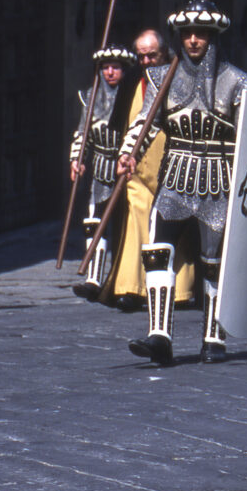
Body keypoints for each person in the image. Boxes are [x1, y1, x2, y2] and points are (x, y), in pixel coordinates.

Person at [117, 0, 247, 365]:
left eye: (201, 33)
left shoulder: (238, 83)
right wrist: (128, 152)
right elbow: (144, 124)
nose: (194, 40)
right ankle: (159, 335)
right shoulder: (161, 80)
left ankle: (214, 336)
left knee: (213, 263)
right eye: (188, 33)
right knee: (157, 253)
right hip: (175, 178)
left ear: (213, 37)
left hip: (218, 180)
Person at [104, 29, 196, 312]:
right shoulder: (133, 81)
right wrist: (124, 155)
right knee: (135, 223)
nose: (145, 61)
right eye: (141, 56)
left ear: (165, 53)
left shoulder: (183, 80)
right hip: (139, 170)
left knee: (173, 229)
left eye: (151, 55)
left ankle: (179, 290)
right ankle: (130, 288)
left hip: (174, 170)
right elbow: (133, 123)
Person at [70, 45, 138, 301]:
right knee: (93, 222)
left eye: (116, 67)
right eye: (106, 67)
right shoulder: (90, 98)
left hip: (127, 170)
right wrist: (77, 159)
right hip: (100, 168)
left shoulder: (134, 97)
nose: (110, 72)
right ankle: (94, 278)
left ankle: (124, 282)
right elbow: (82, 133)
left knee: (126, 226)